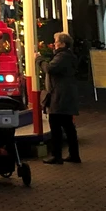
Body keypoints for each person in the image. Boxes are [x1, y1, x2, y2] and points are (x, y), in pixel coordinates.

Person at [43, 32, 81, 165]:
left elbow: (50, 68)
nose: (54, 43)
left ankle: (57, 155)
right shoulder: (68, 56)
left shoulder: (62, 57)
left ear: (63, 44)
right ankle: (74, 154)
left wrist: (39, 60)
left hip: (60, 96)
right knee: (68, 126)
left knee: (56, 126)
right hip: (65, 95)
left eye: (56, 41)